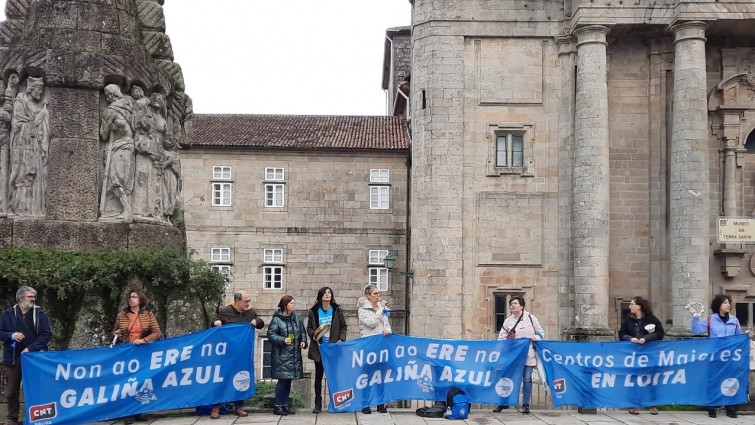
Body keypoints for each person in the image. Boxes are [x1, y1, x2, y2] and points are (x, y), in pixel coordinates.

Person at [690, 294, 751, 418]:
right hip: (714, 356)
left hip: (730, 357)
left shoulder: (734, 320)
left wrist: (747, 336)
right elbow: (696, 330)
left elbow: (738, 337)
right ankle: (712, 406)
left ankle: (730, 406)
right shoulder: (710, 319)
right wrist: (695, 316)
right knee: (713, 380)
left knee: (731, 380)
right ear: (718, 306)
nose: (728, 305)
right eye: (725, 303)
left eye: (729, 302)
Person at [0, 286, 52, 425]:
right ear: (21, 298)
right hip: (13, 357)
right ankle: (12, 419)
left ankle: (39, 418)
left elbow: (46, 334)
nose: (33, 299)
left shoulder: (40, 313)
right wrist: (11, 335)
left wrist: (31, 348)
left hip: (34, 358)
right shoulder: (8, 313)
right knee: (12, 390)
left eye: (34, 296)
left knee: (37, 388)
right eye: (30, 297)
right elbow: (0, 332)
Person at [209, 290, 265, 419]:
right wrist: (216, 323)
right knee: (221, 379)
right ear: (237, 301)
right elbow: (213, 324)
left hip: (242, 354)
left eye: (249, 301)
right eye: (246, 301)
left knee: (241, 378)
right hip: (225, 353)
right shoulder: (224, 311)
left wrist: (257, 321)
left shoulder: (250, 312)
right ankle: (216, 407)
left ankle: (239, 406)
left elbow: (260, 324)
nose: (248, 303)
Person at [111, 288, 161, 424]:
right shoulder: (122, 315)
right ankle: (128, 412)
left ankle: (138, 411)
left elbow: (157, 333)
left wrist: (144, 340)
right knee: (128, 382)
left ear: (140, 300)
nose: (131, 299)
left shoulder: (148, 314)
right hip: (127, 352)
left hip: (143, 352)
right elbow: (115, 332)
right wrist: (116, 334)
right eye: (130, 297)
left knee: (141, 381)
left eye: (134, 297)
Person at [494, 296, 543, 414]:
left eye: (515, 303)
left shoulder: (531, 318)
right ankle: (503, 402)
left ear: (521, 306)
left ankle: (525, 404)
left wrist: (535, 337)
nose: (512, 305)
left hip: (528, 354)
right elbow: (501, 337)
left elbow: (541, 333)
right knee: (508, 378)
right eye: (511, 304)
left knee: (527, 379)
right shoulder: (508, 321)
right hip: (513, 356)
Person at [9, 76, 49, 216]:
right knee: (23, 175)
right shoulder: (20, 102)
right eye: (38, 88)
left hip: (34, 146)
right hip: (22, 147)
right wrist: (38, 119)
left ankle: (34, 209)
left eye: (42, 89)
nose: (40, 92)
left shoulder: (35, 106)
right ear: (31, 88)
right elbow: (16, 125)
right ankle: (20, 208)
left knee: (36, 176)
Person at [618, 296, 665, 415]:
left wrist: (646, 338)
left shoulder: (652, 319)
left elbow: (660, 333)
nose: (629, 306)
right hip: (633, 354)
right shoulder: (628, 320)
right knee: (634, 379)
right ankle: (634, 405)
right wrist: (630, 338)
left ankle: (652, 405)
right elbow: (621, 334)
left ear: (639, 306)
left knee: (650, 378)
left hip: (649, 353)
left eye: (632, 304)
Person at [306, 286, 347, 413]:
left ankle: (335, 402)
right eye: (325, 293)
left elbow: (343, 327)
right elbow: (309, 328)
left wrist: (341, 338)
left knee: (333, 377)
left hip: (333, 348)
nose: (327, 294)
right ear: (320, 296)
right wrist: (314, 336)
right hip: (319, 348)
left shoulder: (336, 309)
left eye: (329, 292)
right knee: (319, 376)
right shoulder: (314, 311)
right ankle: (318, 403)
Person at [269, 295, 308, 416]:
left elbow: (302, 332)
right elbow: (271, 334)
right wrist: (282, 340)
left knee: (288, 381)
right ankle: (278, 405)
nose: (294, 305)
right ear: (285, 305)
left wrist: (303, 341)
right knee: (282, 381)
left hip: (294, 355)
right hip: (282, 355)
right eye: (291, 303)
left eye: (294, 302)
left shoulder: (297, 318)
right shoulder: (276, 319)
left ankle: (285, 404)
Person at [357, 285, 391, 414]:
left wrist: (388, 330)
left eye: (378, 293)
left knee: (381, 376)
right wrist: (381, 310)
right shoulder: (363, 310)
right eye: (375, 293)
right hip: (369, 346)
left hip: (381, 346)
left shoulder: (381, 309)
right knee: (367, 375)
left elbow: (386, 324)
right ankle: (365, 404)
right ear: (368, 295)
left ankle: (380, 404)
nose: (378, 295)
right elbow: (371, 323)